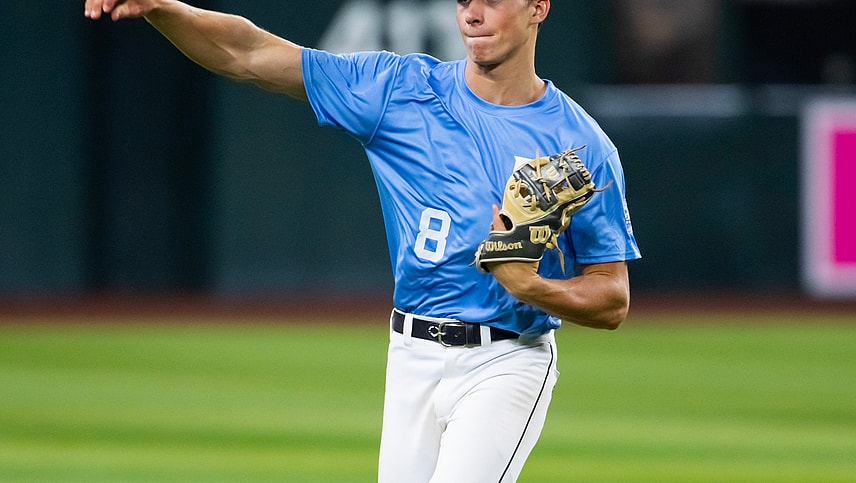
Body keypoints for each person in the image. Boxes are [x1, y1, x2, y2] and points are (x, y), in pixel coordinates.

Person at [84, 0, 641, 481]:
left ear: (538, 7)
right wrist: (163, 8)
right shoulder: (400, 91)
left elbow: (612, 297)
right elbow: (250, 55)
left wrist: (531, 286)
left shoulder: (579, 145)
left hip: (507, 363)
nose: (472, 13)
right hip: (410, 354)